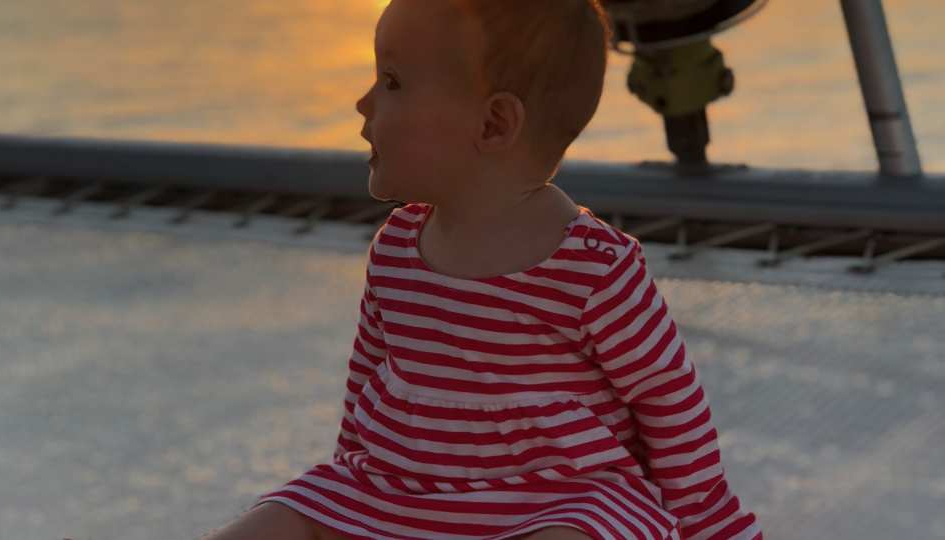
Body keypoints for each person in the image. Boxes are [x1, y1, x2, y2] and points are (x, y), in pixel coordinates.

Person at [204, 0, 761, 538]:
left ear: (494, 124)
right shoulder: (397, 247)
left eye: (392, 82)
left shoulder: (594, 269)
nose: (363, 102)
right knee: (276, 519)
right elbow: (365, 383)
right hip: (397, 488)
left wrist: (712, 529)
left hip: (558, 500)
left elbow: (672, 409)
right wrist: (351, 503)